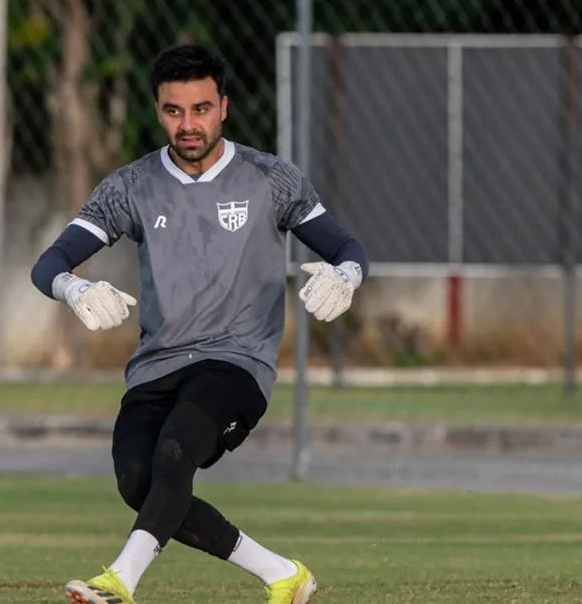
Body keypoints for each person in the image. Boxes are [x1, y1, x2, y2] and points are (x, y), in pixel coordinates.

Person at [30, 43, 368, 604]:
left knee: (176, 451)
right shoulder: (129, 187)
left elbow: (346, 246)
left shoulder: (271, 179)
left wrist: (349, 275)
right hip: (157, 364)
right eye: (174, 111)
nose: (189, 125)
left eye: (202, 109)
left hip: (237, 362)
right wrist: (75, 287)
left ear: (224, 107)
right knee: (138, 481)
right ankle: (284, 576)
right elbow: (48, 265)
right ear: (159, 111)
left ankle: (118, 582)